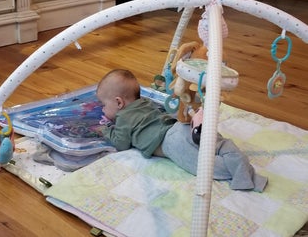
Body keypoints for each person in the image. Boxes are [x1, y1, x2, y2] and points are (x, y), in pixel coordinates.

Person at [96, 69, 268, 192]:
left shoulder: (123, 118)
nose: (103, 110)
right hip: (180, 126)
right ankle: (228, 150)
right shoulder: (146, 103)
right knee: (212, 143)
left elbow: (122, 143)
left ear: (119, 103)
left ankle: (243, 175)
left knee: (204, 166)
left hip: (170, 143)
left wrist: (106, 130)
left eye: (104, 105)